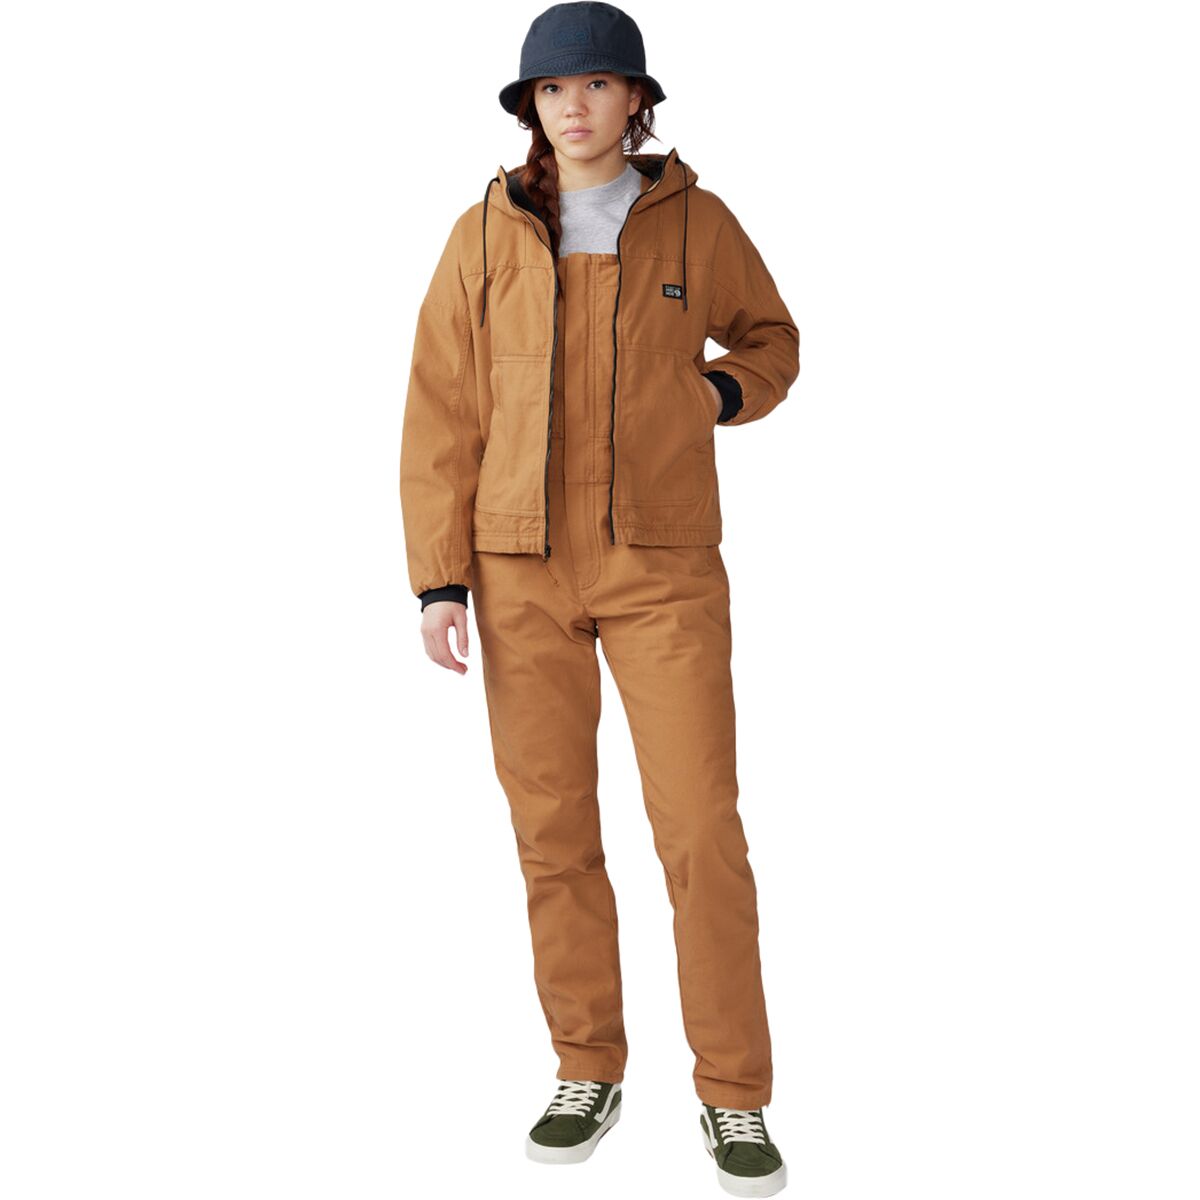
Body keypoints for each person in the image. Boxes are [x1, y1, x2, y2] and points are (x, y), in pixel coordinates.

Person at [399, 4, 799, 1194]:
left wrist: (715, 398)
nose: (573, 106)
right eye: (552, 89)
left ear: (636, 100)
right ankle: (588, 1066)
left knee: (700, 831)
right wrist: (439, 578)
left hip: (661, 564)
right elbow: (441, 410)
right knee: (554, 833)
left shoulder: (697, 223)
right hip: (517, 567)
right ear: (532, 107)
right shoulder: (482, 234)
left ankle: (733, 1093)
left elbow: (771, 340)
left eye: (596, 85)